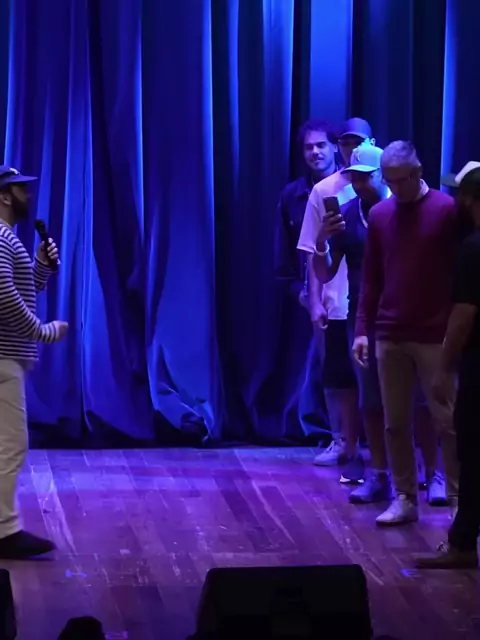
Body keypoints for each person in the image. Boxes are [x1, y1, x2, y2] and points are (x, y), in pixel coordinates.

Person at [312, 145, 446, 505]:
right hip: (372, 319)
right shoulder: (351, 216)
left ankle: (434, 474)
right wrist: (322, 242)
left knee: (425, 404)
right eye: (353, 178)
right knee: (373, 403)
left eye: (366, 178)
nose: (359, 185)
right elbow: (329, 273)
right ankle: (381, 475)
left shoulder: (422, 210)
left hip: (423, 320)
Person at [352, 141, 458, 526]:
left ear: (418, 172)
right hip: (390, 333)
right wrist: (362, 330)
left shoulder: (446, 210)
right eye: (389, 181)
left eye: (401, 180)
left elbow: (460, 274)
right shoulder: (380, 215)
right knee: (394, 422)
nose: (395, 188)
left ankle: (458, 498)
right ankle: (404, 497)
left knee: (447, 421)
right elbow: (371, 279)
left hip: (434, 334)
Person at [297, 118, 375, 481]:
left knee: (374, 380)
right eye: (345, 142)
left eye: (358, 142)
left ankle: (382, 455)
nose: (351, 149)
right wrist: (314, 301)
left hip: (373, 301)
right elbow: (313, 251)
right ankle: (343, 441)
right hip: (338, 298)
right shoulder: (325, 191)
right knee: (338, 376)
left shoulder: (386, 191)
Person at [0, 165, 68, 558]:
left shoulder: (8, 239)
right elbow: (4, 296)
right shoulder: (0, 237)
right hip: (3, 357)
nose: (28, 195)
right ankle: (4, 531)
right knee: (11, 445)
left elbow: (22, 290)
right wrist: (42, 331)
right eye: (20, 189)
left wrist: (40, 265)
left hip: (7, 356)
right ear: (4, 196)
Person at [415, 162, 480, 569]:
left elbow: (464, 315)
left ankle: (462, 544)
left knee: (472, 454)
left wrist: (443, 368)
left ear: (470, 199)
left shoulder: (473, 249)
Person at [274, 120, 340, 437]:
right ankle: (329, 433)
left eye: (321, 145)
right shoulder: (293, 196)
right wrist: (300, 294)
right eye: (308, 147)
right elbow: (285, 253)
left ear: (334, 147)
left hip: (350, 291)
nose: (315, 152)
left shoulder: (352, 187)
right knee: (322, 367)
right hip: (313, 295)